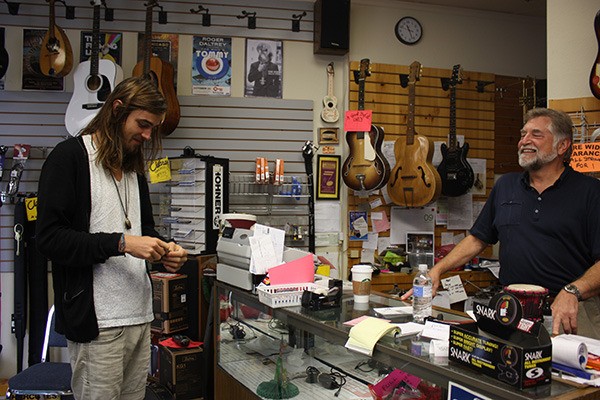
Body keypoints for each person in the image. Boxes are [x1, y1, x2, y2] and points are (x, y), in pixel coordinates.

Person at [36, 76, 188, 399]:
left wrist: (164, 251)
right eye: (143, 124)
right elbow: (49, 239)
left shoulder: (134, 169)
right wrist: (122, 243)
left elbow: (143, 232)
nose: (147, 135)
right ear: (118, 109)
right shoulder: (70, 159)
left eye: (152, 128)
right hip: (97, 325)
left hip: (140, 317)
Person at [402, 107, 600, 340]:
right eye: (522, 134)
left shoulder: (590, 192)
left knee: (569, 377)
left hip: (567, 311)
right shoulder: (507, 186)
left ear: (562, 146)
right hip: (512, 310)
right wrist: (437, 270)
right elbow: (478, 239)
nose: (524, 141)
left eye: (536, 135)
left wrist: (573, 291)